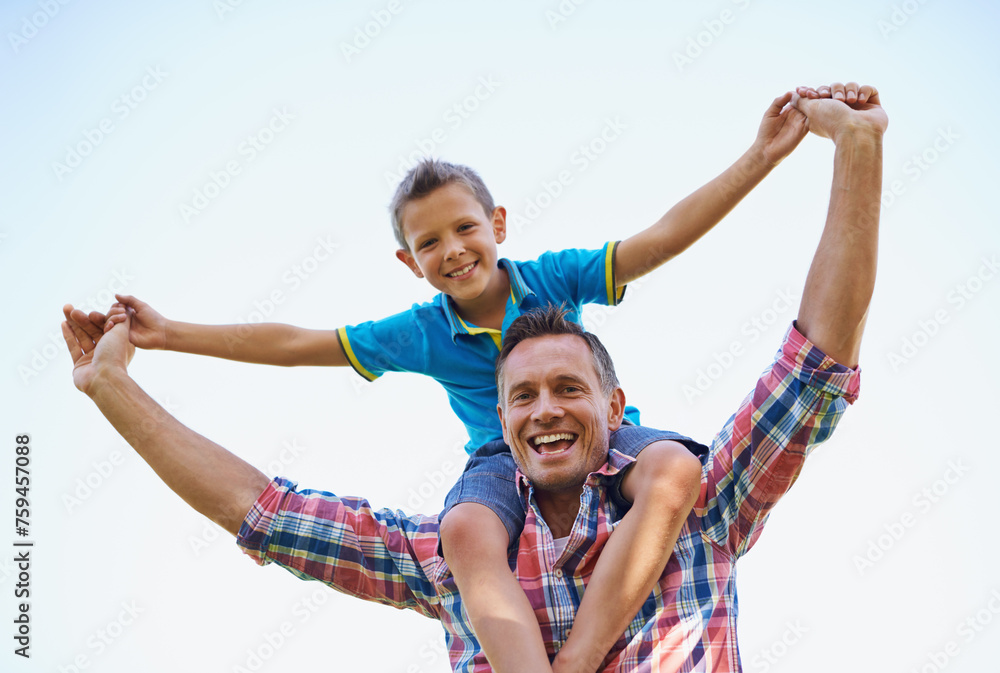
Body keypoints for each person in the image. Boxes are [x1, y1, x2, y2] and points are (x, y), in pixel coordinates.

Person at [63, 80, 885, 671]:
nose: (544, 406)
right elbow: (268, 496)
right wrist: (145, 356)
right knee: (465, 533)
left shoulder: (695, 505)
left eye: (567, 387)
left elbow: (798, 353)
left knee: (672, 465)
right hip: (487, 480)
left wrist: (818, 150)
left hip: (640, 467)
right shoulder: (426, 362)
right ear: (409, 262)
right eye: (520, 392)